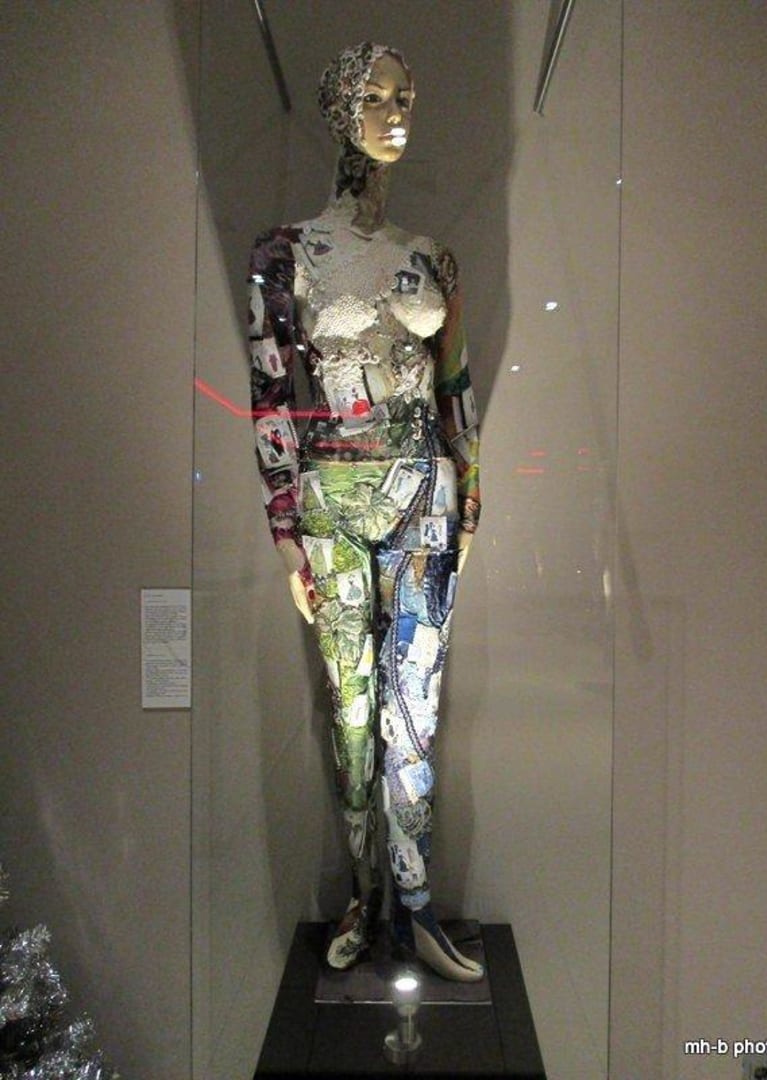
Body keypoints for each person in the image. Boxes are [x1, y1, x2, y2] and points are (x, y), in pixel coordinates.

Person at [247, 42, 482, 981]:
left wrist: (472, 501)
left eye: (406, 97)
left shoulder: (432, 258)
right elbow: (272, 400)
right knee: (351, 712)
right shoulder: (286, 254)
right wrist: (284, 534)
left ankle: (416, 907)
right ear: (341, 108)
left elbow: (456, 388)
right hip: (334, 505)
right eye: (377, 98)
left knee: (414, 709)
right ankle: (364, 895)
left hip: (425, 497)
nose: (396, 114)